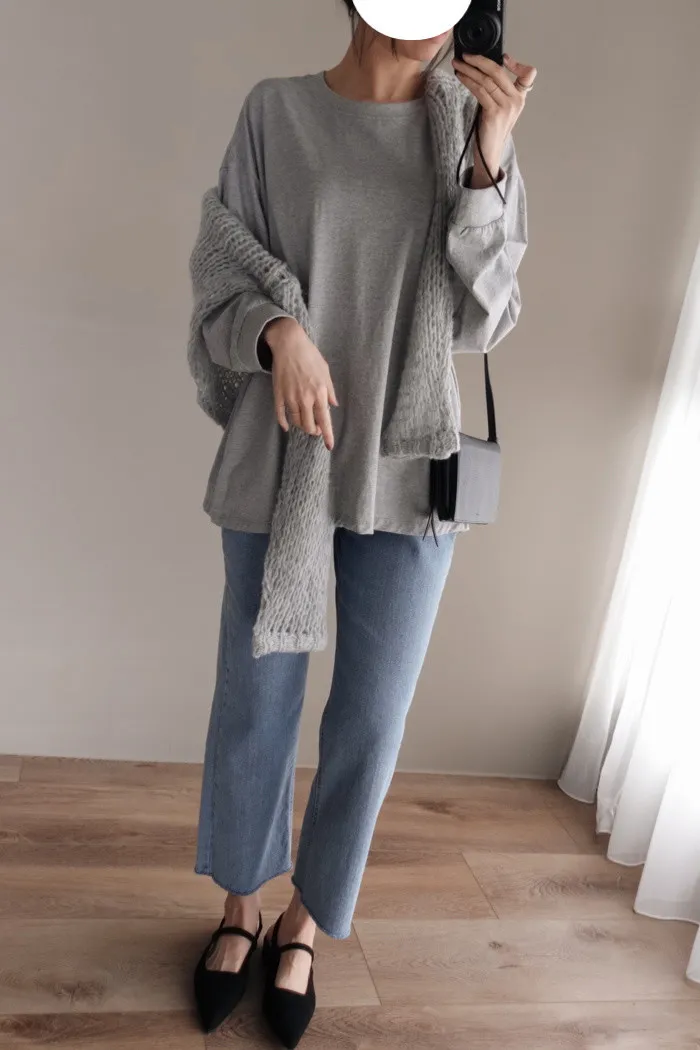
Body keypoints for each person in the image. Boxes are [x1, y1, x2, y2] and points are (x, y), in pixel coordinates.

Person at [189, 3, 535, 1045]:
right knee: (255, 701)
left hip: (405, 468)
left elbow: (488, 319)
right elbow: (220, 271)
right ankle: (241, 907)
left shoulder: (469, 133)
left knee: (371, 720)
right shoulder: (276, 114)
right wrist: (279, 331)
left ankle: (304, 921)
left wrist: (489, 161)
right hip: (282, 455)